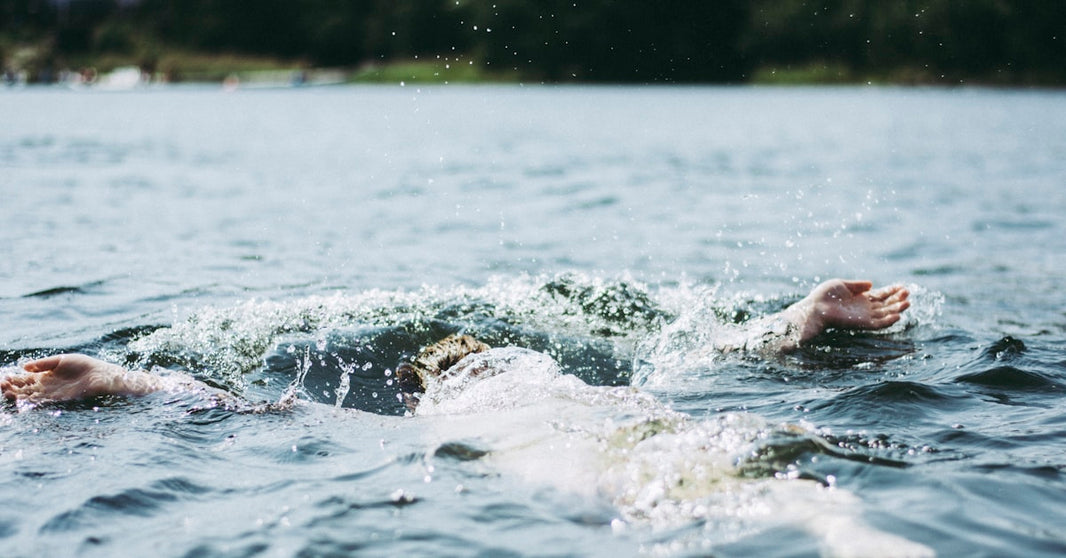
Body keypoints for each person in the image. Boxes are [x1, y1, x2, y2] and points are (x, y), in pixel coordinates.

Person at [1, 279, 909, 406]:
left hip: (560, 439)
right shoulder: (570, 377)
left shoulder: (432, 420)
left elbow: (250, 411)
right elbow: (712, 360)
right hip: (623, 411)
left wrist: (116, 379)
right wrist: (801, 318)